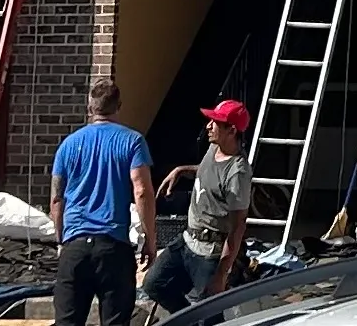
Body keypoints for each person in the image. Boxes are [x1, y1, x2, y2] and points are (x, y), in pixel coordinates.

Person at [51, 77, 155, 326]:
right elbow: (141, 191)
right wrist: (150, 240)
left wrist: (60, 240)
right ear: (119, 106)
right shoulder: (132, 141)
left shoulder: (68, 145)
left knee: (67, 321)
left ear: (90, 109)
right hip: (113, 248)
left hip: (75, 246)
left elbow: (57, 198)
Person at [138, 98, 253, 318]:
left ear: (231, 130)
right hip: (187, 242)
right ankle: (186, 320)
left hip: (209, 253)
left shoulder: (237, 173)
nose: (208, 125)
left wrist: (222, 273)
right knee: (154, 284)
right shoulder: (213, 149)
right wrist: (182, 170)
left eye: (215, 122)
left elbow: (238, 226)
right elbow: (209, 172)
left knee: (209, 313)